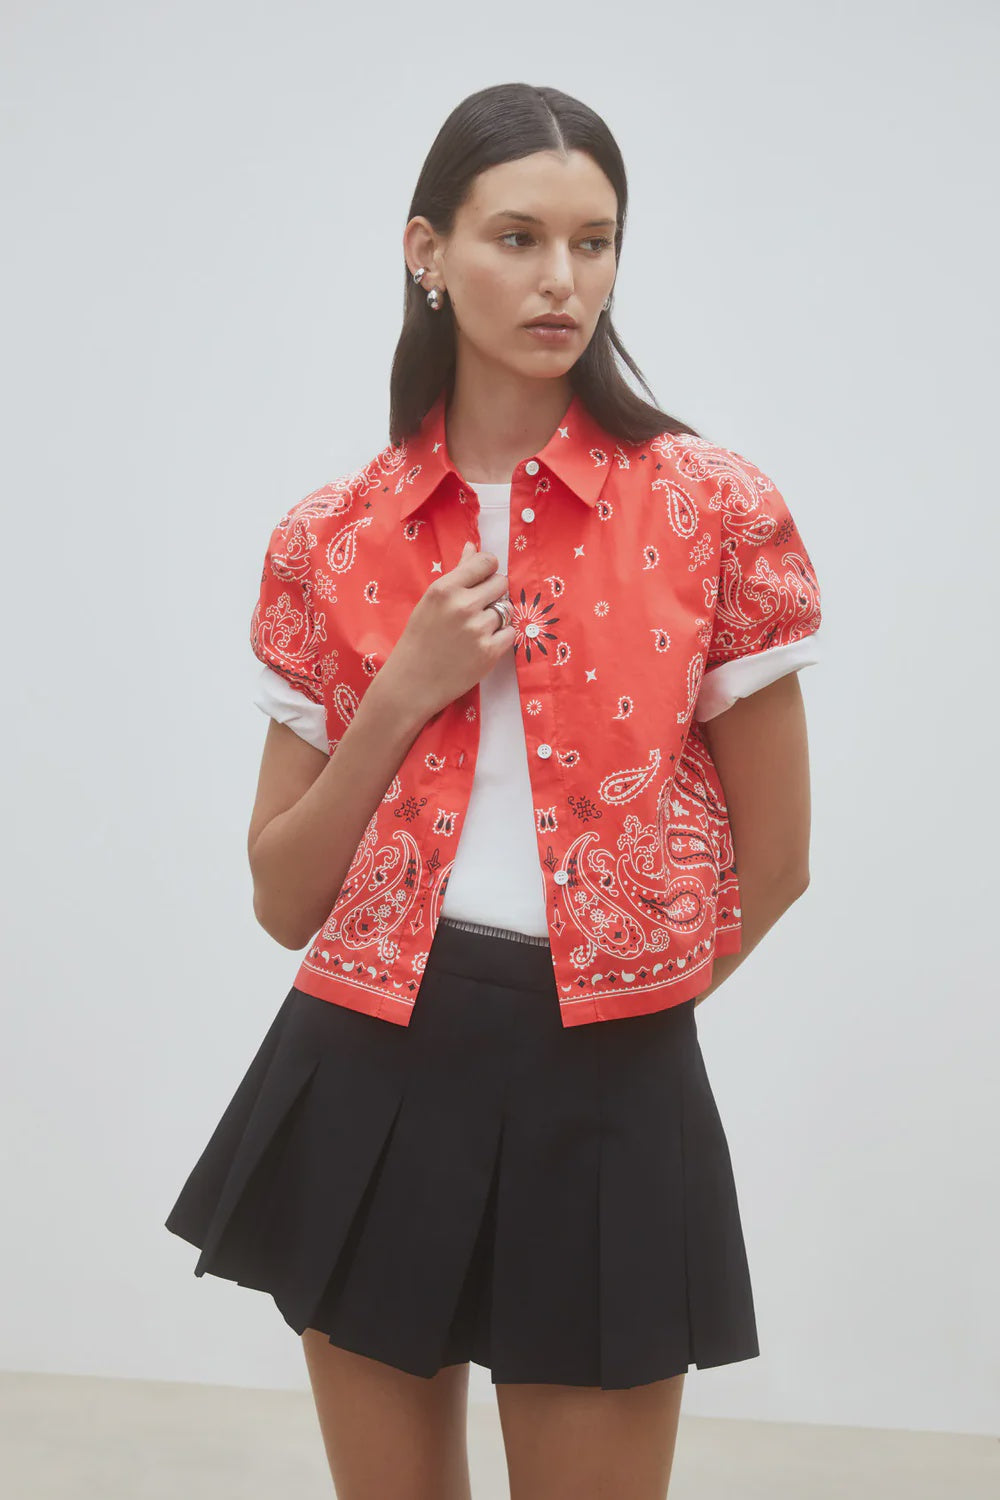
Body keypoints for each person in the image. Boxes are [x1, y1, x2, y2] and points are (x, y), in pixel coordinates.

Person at [165, 81, 822, 1500]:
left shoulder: (712, 509)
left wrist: (616, 997)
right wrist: (402, 691)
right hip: (367, 1064)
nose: (561, 279)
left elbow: (778, 861)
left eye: (595, 242)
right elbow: (284, 898)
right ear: (428, 251)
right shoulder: (332, 539)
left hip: (611, 1077)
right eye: (518, 236)